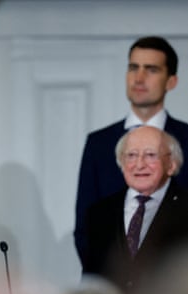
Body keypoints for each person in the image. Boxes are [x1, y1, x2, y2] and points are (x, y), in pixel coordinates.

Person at [75, 36, 188, 262]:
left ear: (171, 81)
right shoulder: (99, 143)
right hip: (110, 286)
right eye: (133, 67)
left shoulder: (186, 139)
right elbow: (85, 229)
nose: (139, 77)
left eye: (151, 69)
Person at [81, 126, 188, 294]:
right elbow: (92, 279)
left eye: (151, 155)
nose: (139, 164)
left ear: (171, 164)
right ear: (121, 163)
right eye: (131, 155)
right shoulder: (99, 212)